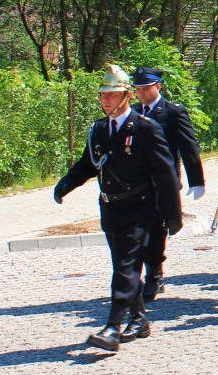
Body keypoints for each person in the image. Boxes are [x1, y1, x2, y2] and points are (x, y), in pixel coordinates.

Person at [54, 65, 182, 352]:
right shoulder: (99, 129)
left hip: (140, 209)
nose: (106, 100)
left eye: (112, 95)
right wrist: (66, 184)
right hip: (111, 209)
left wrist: (172, 215)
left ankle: (112, 327)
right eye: (103, 95)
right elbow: (89, 163)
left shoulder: (146, 128)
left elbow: (166, 173)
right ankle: (139, 320)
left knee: (125, 266)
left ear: (125, 96)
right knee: (124, 267)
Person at [131, 67, 204, 302]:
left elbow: (188, 146)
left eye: (146, 88)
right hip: (137, 183)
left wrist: (197, 180)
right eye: (138, 89)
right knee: (137, 232)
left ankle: (154, 276)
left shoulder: (172, 112)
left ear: (158, 86)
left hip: (162, 183)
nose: (141, 93)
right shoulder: (132, 113)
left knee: (156, 230)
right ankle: (140, 275)